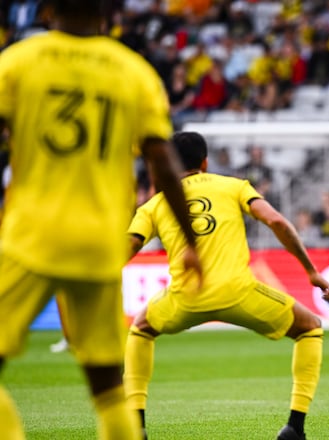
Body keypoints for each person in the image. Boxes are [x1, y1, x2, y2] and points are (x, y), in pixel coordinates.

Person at [0, 1, 203, 439]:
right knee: (109, 387)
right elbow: (163, 162)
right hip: (100, 242)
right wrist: (189, 241)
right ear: (110, 11)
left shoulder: (18, 62)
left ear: (48, 9)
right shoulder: (134, 73)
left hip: (32, 232)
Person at [124, 132, 329, 440]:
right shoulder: (234, 186)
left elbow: (129, 245)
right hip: (238, 293)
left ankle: (136, 426)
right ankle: (295, 427)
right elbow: (276, 221)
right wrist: (311, 271)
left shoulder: (155, 204)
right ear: (205, 162)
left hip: (185, 299)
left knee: (141, 328)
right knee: (310, 327)